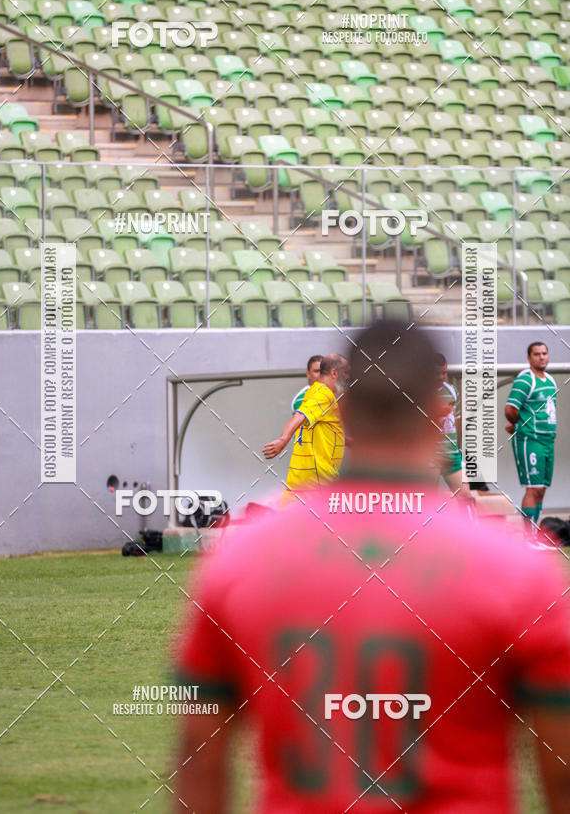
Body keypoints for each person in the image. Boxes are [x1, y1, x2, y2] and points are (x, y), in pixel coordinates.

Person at [173, 322, 570, 814]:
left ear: (345, 412)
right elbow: (561, 770)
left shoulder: (238, 558)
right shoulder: (520, 570)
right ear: (436, 415)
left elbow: (198, 754)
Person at [262, 353, 348, 504]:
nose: (348, 377)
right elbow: (300, 415)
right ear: (334, 373)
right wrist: (283, 440)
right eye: (346, 373)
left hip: (300, 487)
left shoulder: (314, 392)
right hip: (317, 489)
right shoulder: (323, 395)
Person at [505, 341, 557, 545]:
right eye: (537, 354)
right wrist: (518, 424)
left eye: (545, 353)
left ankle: (534, 537)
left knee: (542, 488)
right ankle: (527, 538)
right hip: (530, 439)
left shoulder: (551, 380)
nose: (542, 357)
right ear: (529, 358)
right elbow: (510, 409)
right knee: (533, 488)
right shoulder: (526, 379)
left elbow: (546, 410)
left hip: (547, 440)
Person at [434, 352, 464, 495]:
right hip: (429, 456)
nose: (441, 377)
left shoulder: (452, 391)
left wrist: (455, 447)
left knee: (466, 497)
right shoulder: (419, 392)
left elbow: (457, 421)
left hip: (451, 454)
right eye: (436, 373)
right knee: (426, 500)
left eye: (444, 373)